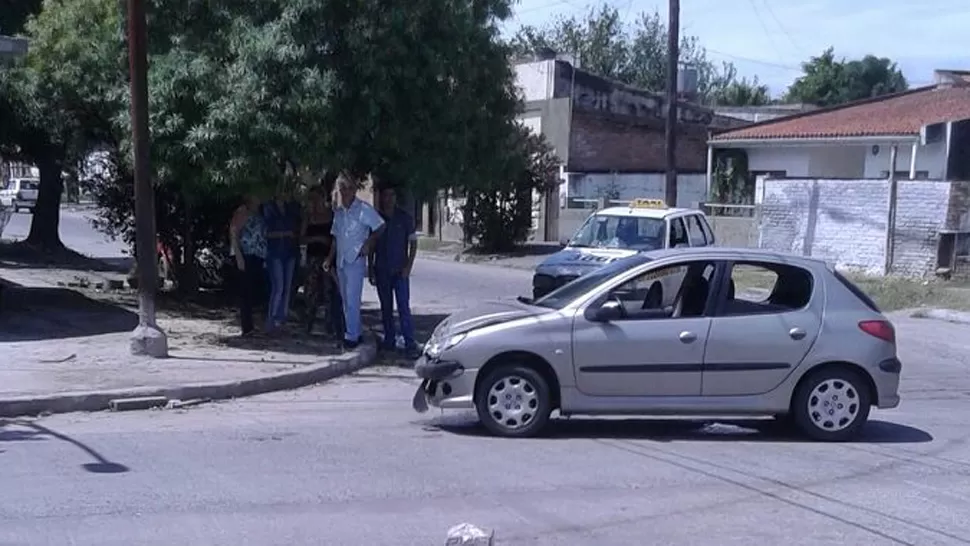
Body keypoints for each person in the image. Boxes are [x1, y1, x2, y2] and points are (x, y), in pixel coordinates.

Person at [324, 172, 384, 350]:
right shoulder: (340, 213)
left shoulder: (363, 209)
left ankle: (351, 336)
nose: (344, 193)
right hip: (342, 259)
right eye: (341, 189)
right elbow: (336, 238)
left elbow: (380, 227)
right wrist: (329, 258)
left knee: (352, 298)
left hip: (355, 259)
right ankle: (354, 331)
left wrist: (368, 244)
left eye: (347, 189)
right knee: (345, 298)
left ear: (353, 190)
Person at [369, 185, 419, 358]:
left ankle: (410, 342)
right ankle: (389, 340)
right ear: (381, 198)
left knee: (403, 307)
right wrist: (370, 268)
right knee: (386, 307)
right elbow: (372, 245)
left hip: (400, 271)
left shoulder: (404, 218)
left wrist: (408, 267)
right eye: (386, 195)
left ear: (396, 197)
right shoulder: (376, 219)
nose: (388, 199)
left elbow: (413, 243)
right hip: (382, 269)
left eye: (392, 195)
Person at [301, 184, 343, 336]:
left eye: (317, 198)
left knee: (328, 292)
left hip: (328, 258)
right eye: (311, 199)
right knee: (311, 292)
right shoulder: (309, 216)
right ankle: (308, 324)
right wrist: (316, 238)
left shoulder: (331, 215)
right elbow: (301, 238)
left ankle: (329, 326)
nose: (314, 201)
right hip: (313, 257)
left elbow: (337, 236)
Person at [261, 185, 301, 333]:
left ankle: (281, 319)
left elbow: (297, 229)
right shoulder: (269, 208)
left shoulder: (291, 209)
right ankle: (271, 319)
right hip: (275, 252)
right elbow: (266, 233)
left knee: (287, 287)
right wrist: (284, 234)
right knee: (278, 286)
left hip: (290, 252)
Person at [228, 194, 268, 336]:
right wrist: (238, 256)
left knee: (254, 291)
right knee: (246, 292)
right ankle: (247, 327)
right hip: (246, 255)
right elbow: (234, 233)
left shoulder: (260, 212)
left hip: (258, 255)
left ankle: (253, 325)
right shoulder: (243, 211)